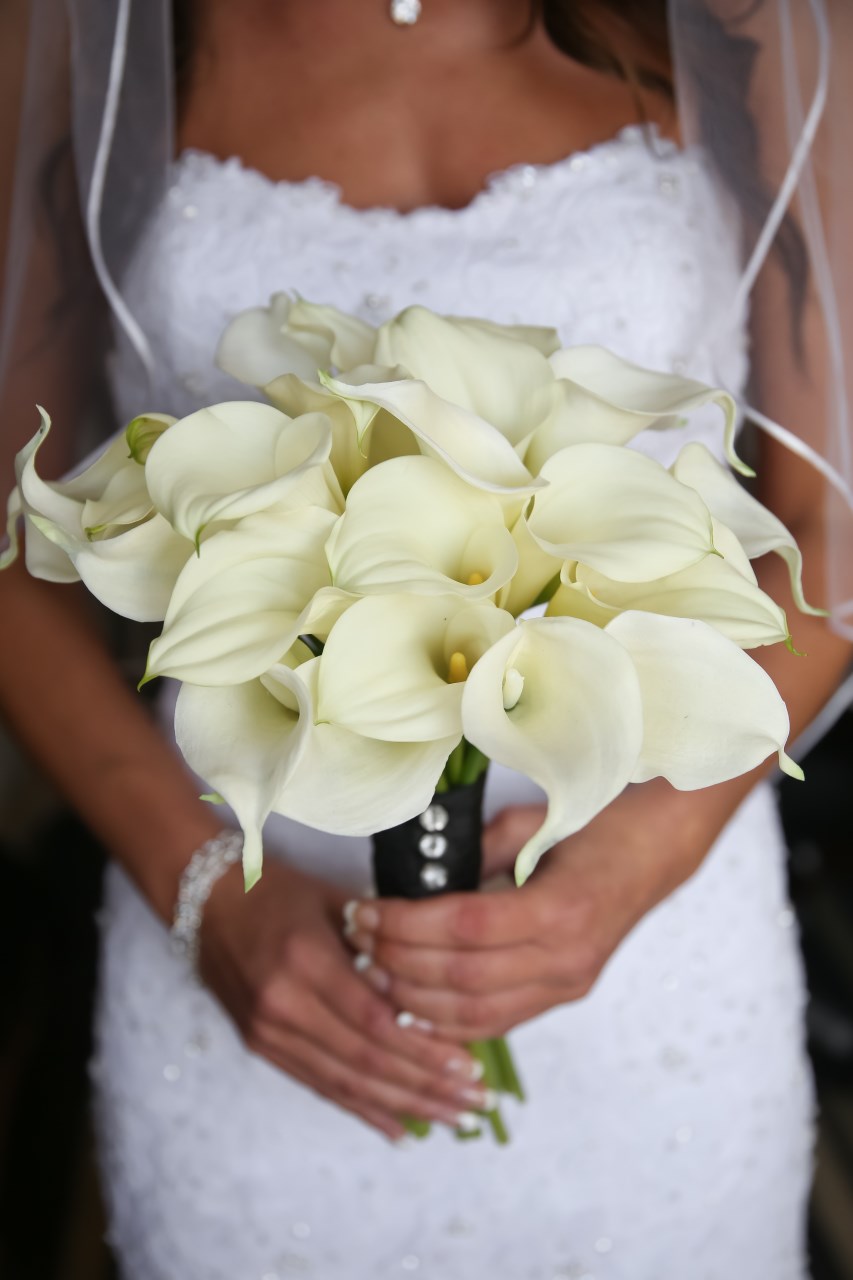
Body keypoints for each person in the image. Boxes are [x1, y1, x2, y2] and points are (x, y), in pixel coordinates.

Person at [1, 2, 851, 1277]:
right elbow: (15, 546)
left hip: (651, 960)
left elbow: (826, 526)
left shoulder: (759, 24)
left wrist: (644, 854)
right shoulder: (80, 29)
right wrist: (203, 896)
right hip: (252, 966)